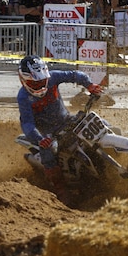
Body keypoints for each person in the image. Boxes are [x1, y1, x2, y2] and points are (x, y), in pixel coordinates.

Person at [17, 55, 103, 200]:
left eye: (42, 81)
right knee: (48, 150)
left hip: (67, 119)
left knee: (99, 123)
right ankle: (60, 189)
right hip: (48, 132)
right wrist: (39, 139)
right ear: (24, 80)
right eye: (35, 83)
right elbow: (27, 123)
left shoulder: (53, 78)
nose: (40, 86)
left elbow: (74, 75)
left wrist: (89, 85)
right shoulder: (23, 97)